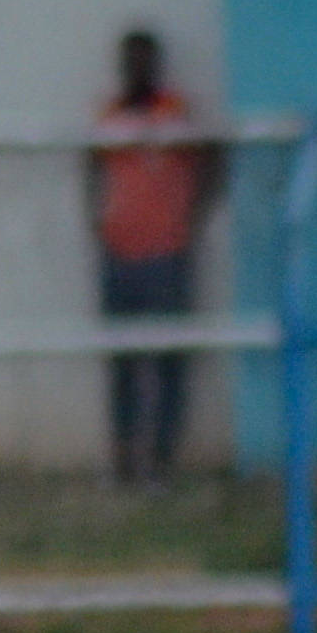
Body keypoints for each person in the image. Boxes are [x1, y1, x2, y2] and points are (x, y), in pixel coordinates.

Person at [86, 28, 222, 484]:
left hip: (167, 251)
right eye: (131, 61)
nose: (137, 69)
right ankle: (124, 460)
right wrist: (98, 221)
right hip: (120, 251)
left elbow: (214, 157)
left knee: (168, 361)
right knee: (121, 360)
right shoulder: (109, 114)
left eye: (145, 61)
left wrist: (193, 216)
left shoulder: (177, 113)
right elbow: (90, 165)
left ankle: (162, 460)